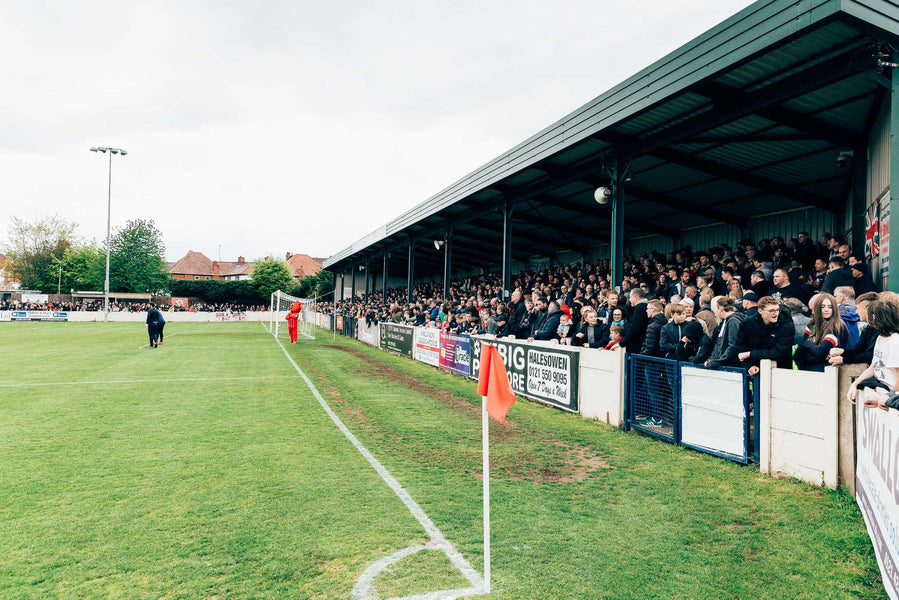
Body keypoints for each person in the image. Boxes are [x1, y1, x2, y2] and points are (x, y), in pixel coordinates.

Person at [848, 300, 899, 402]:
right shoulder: (880, 338)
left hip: (890, 393)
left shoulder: (895, 341)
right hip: (881, 386)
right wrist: (855, 383)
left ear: (875, 316)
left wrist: (889, 398)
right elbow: (873, 367)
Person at [736, 296, 795, 374]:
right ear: (760, 311)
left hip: (780, 370)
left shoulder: (787, 325)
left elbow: (779, 352)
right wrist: (750, 365)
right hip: (755, 369)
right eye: (771, 311)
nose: (775, 313)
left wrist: (750, 354)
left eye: (777, 310)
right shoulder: (747, 323)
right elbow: (741, 346)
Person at [793, 293, 848, 372]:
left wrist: (807, 344)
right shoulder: (812, 324)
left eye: (830, 307)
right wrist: (812, 350)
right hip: (807, 369)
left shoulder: (836, 326)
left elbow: (820, 352)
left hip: (829, 371)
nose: (826, 309)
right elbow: (799, 353)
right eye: (822, 307)